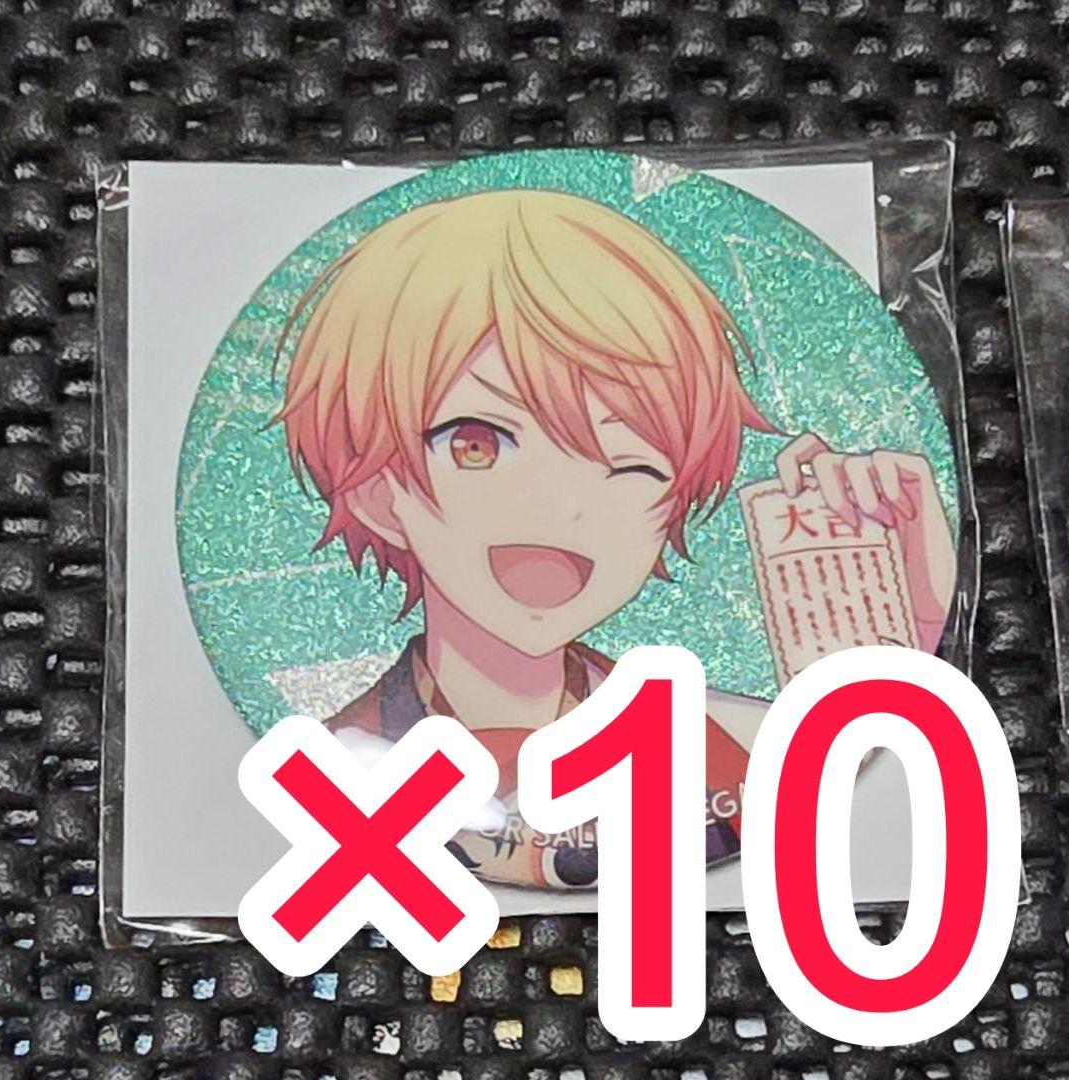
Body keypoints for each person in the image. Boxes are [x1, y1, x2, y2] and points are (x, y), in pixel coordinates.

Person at [274, 189, 956, 887]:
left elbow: (838, 791)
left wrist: (910, 631)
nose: (563, 507)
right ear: (376, 490)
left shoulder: (739, 749)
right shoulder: (331, 762)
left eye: (633, 464)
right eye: (478, 445)